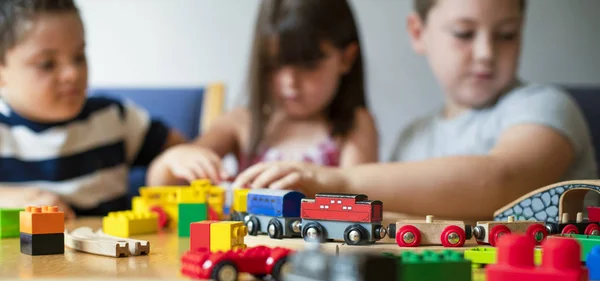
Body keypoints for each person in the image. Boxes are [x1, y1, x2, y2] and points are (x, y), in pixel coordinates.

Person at [233, 0, 598, 220]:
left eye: (506, 34)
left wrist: (338, 182)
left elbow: (504, 181)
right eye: (464, 33)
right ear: (418, 32)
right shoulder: (412, 140)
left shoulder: (547, 106)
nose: (486, 52)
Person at [147, 0, 378, 186]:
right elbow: (160, 182)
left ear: (346, 59)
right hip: (250, 244)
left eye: (308, 65)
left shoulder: (354, 125)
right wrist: (174, 159)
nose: (289, 82)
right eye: (274, 64)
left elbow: (359, 199)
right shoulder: (242, 122)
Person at [0, 0, 186, 217]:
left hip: (112, 249)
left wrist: (180, 156)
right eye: (47, 64)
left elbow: (179, 151)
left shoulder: (114, 117)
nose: (72, 73)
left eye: (79, 57)